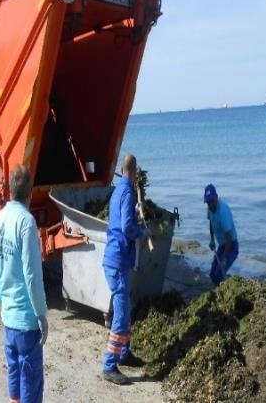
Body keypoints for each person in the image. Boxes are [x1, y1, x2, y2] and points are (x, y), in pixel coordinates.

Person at [0, 165, 49, 403]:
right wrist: (41, 314)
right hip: (25, 320)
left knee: (14, 376)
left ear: (10, 190)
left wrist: (2, 304)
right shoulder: (26, 222)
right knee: (31, 383)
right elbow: (32, 275)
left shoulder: (0, 218)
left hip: (9, 319)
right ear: (31, 191)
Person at [101, 154, 150, 385]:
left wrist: (135, 209)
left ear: (122, 169)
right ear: (134, 170)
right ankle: (109, 365)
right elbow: (127, 227)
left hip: (117, 258)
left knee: (126, 308)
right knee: (121, 315)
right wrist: (142, 233)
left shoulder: (119, 190)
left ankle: (124, 353)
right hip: (117, 261)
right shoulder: (128, 192)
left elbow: (123, 218)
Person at [204, 183, 239, 286]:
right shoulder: (210, 208)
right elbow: (211, 221)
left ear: (217, 197)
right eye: (208, 202)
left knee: (219, 275)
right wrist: (212, 239)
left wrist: (224, 258)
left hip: (231, 245)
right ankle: (219, 289)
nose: (210, 205)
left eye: (212, 201)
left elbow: (229, 237)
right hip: (222, 245)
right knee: (212, 275)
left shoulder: (223, 212)